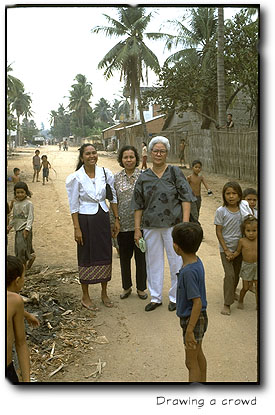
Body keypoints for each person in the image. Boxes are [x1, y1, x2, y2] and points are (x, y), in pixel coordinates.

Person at [132, 136, 196, 312]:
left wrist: (184, 224)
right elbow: (138, 205)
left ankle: (175, 297)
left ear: (167, 153)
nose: (158, 154)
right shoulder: (144, 177)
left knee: (176, 261)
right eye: (155, 150)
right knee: (153, 262)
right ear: (150, 153)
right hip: (150, 226)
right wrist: (137, 229)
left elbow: (186, 199)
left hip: (173, 226)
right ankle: (155, 297)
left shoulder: (175, 173)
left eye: (162, 151)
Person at [66, 143, 120, 310]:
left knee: (105, 253)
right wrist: (77, 228)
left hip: (102, 218)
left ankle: (104, 293)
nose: (92, 156)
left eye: (94, 153)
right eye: (88, 154)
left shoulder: (105, 173)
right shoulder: (76, 177)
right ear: (82, 157)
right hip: (85, 220)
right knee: (86, 255)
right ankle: (86, 295)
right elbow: (73, 205)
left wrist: (116, 219)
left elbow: (113, 198)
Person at [172, 222, 207, 382]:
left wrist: (189, 330)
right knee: (198, 355)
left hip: (193, 319)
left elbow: (197, 303)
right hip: (198, 318)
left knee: (190, 362)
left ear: (177, 247)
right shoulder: (195, 261)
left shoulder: (188, 272)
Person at [112, 145, 147, 300]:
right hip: (123, 226)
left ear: (136, 159)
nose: (128, 160)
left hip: (142, 226)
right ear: (121, 160)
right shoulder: (116, 178)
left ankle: (141, 289)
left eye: (131, 157)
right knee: (125, 258)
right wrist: (116, 221)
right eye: (125, 157)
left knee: (141, 259)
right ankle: (127, 287)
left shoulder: (144, 176)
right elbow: (113, 200)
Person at [214, 181, 250, 316]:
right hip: (226, 250)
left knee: (236, 274)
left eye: (234, 193)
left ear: (239, 196)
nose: (231, 196)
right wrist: (227, 250)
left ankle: (232, 291)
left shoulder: (243, 211)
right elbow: (218, 232)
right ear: (224, 195)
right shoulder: (221, 211)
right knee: (229, 275)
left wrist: (239, 250)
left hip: (240, 249)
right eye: (228, 193)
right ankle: (227, 303)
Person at [7, 256, 30, 383]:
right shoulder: (15, 301)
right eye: (24, 276)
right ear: (17, 281)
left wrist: (26, 314)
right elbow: (21, 344)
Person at [7, 182, 36, 270]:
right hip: (18, 229)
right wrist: (10, 226)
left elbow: (30, 217)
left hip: (24, 229)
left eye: (22, 192)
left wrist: (27, 229)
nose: (20, 194)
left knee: (22, 250)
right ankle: (31, 257)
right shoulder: (15, 204)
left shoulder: (28, 204)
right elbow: (15, 217)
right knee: (20, 248)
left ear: (26, 192)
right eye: (17, 192)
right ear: (15, 193)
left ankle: (22, 269)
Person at [231, 215, 258, 309]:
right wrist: (232, 256)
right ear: (244, 231)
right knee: (245, 287)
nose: (251, 233)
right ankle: (241, 300)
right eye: (248, 231)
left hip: (257, 266)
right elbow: (238, 252)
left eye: (254, 231)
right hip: (247, 266)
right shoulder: (242, 241)